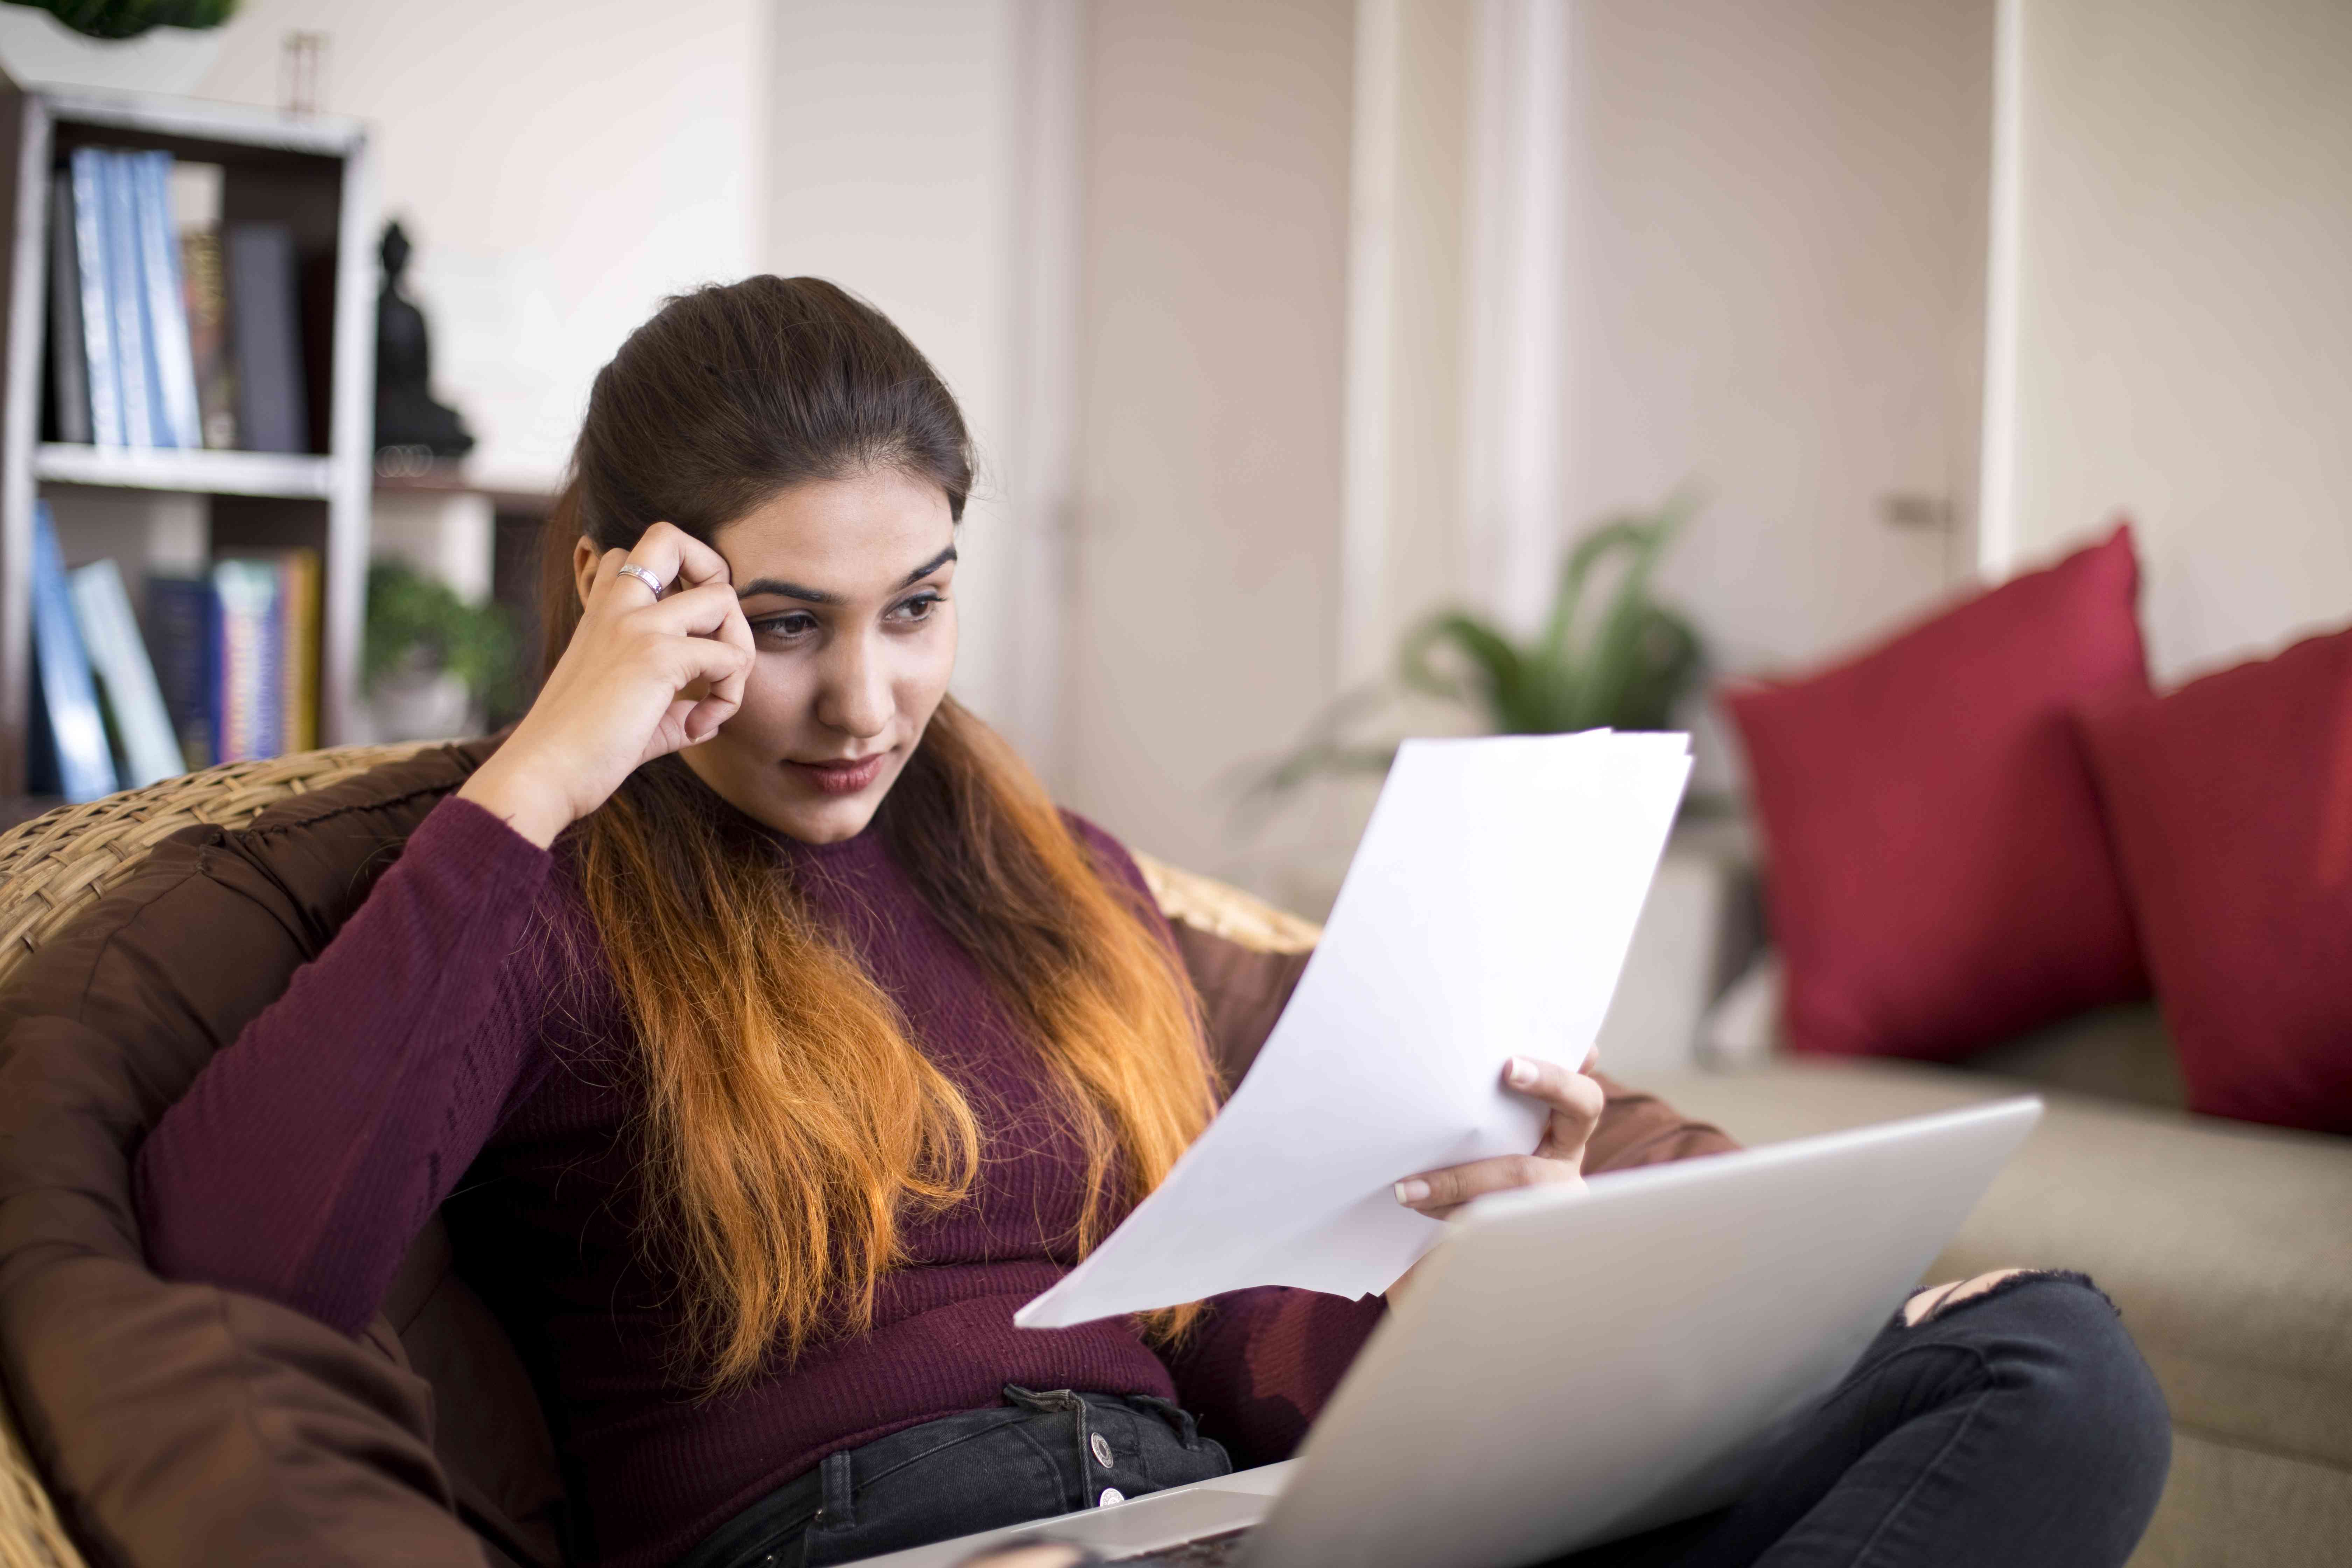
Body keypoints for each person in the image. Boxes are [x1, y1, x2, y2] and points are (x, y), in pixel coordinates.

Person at [132, 277, 2170, 1568]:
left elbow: (1237, 1327)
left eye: (917, 607)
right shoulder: (543, 892)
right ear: (622, 592)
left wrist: (1554, 1301)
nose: (865, 705)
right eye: (780, 629)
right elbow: (239, 1255)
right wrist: (546, 774)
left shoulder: (1052, 873)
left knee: (2050, 1366)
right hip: (886, 1540)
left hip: (1217, 1518)